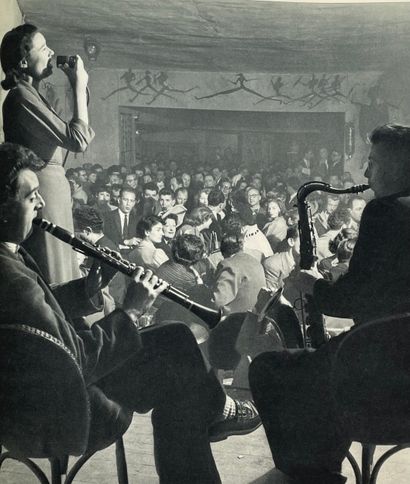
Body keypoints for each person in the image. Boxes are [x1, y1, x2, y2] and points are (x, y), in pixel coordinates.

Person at [0, 142, 261, 484]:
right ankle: (216, 411)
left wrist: (88, 291)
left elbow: (43, 315)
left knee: (176, 341)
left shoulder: (8, 258)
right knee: (180, 381)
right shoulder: (13, 279)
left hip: (41, 399)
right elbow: (76, 359)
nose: (42, 203)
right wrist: (131, 310)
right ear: (2, 208)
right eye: (31, 196)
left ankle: (211, 410)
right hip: (71, 410)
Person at [249, 124, 410, 484]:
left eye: (373, 163)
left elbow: (351, 300)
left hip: (384, 376)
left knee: (270, 368)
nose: (365, 173)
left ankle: (312, 474)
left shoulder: (383, 212)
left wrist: (313, 285)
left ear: (403, 166)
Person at [1, 24, 94, 284]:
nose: (51, 52)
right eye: (43, 47)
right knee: (54, 267)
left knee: (61, 262)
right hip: (44, 190)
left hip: (52, 189)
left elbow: (77, 134)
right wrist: (78, 86)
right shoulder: (21, 97)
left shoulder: (33, 96)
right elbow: (78, 140)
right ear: (23, 60)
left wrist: (79, 88)